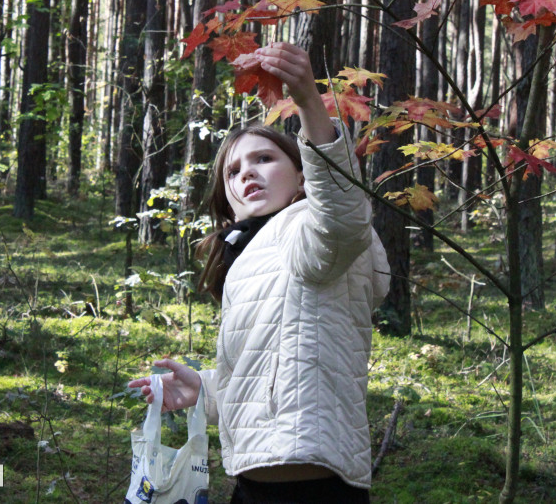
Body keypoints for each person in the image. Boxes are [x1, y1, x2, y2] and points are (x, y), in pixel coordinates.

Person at [128, 41, 390, 504]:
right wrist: (204, 389)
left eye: (264, 159)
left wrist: (310, 100)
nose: (246, 173)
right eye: (232, 171)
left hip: (317, 488)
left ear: (303, 173)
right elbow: (277, 369)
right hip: (250, 485)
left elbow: (343, 215)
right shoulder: (250, 255)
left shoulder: (315, 233)